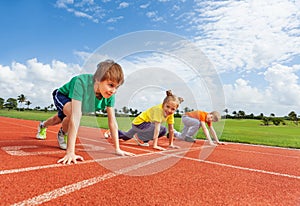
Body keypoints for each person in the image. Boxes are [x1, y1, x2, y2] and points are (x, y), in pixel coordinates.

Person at [36, 59, 134, 164]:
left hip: (77, 105)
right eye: (111, 85)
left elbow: (112, 122)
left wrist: (117, 149)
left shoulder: (110, 95)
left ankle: (43, 125)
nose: (113, 90)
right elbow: (76, 116)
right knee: (72, 114)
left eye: (117, 87)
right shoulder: (80, 82)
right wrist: (70, 152)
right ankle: (62, 133)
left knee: (58, 119)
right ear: (98, 79)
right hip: (63, 95)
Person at [118, 90, 184, 151]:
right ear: (163, 104)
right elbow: (157, 128)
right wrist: (155, 145)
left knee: (125, 136)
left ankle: (114, 132)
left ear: (175, 109)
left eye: (173, 109)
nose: (169, 110)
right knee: (162, 129)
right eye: (167, 107)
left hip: (147, 126)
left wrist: (171, 144)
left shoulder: (170, 114)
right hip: (140, 123)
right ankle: (139, 137)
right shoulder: (158, 110)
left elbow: (171, 129)